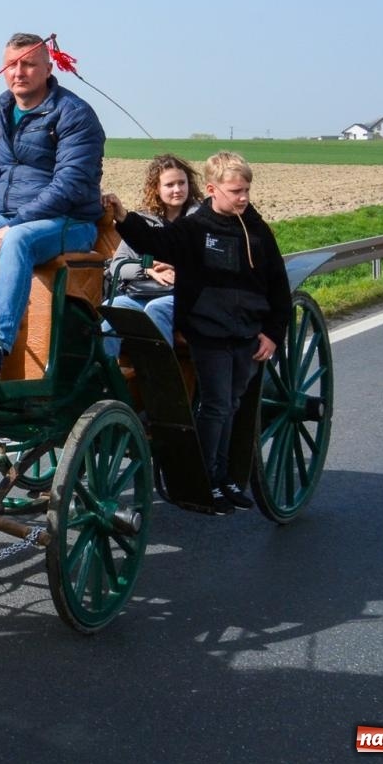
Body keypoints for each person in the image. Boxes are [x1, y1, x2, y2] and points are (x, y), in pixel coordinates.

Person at [103, 151, 291, 515]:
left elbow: (278, 285)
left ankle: (223, 477)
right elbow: (156, 244)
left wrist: (272, 333)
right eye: (236, 190)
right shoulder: (195, 227)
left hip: (248, 335)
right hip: (209, 334)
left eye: (246, 190)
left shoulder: (257, 229)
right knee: (217, 405)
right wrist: (124, 218)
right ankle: (207, 477)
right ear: (212, 189)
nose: (243, 197)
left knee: (233, 403)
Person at [0, 33, 105, 367]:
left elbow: (68, 185)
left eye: (28, 64)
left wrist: (16, 223)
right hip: (6, 213)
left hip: (69, 220)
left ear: (47, 68)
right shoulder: (1, 107)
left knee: (17, 240)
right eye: (11, 65)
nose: (19, 72)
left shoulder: (74, 114)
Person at [102, 153, 204, 354]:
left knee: (155, 310)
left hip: (184, 297)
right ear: (156, 188)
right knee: (112, 309)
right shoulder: (143, 222)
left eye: (181, 183)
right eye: (169, 185)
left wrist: (178, 270)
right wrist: (147, 269)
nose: (177, 190)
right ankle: (109, 378)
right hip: (143, 292)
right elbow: (118, 265)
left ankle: (162, 383)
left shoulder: (200, 219)